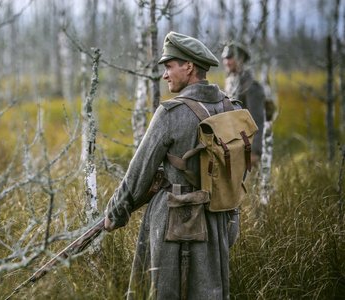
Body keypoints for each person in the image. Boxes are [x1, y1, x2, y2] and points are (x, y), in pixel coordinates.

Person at [104, 32, 240, 299]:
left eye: (169, 66)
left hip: (171, 222)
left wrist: (116, 212)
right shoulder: (231, 107)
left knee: (162, 291)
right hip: (217, 218)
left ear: (188, 67)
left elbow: (139, 172)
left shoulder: (171, 113)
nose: (165, 75)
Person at [222, 41, 266, 165]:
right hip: (231, 147)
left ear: (240, 59)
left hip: (247, 149)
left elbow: (257, 121)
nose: (226, 62)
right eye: (225, 58)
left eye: (230, 58)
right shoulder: (230, 83)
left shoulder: (251, 86)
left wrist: (254, 151)